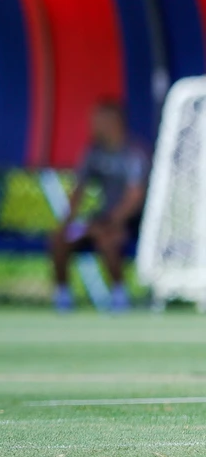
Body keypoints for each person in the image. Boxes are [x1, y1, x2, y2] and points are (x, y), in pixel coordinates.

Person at [50, 100, 148, 312]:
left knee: (108, 240)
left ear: (114, 122)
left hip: (131, 223)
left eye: (98, 120)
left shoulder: (134, 153)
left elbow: (134, 197)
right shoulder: (94, 151)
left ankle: (119, 296)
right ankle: (63, 298)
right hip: (102, 219)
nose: (92, 125)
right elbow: (78, 191)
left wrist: (111, 222)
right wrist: (66, 223)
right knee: (60, 239)